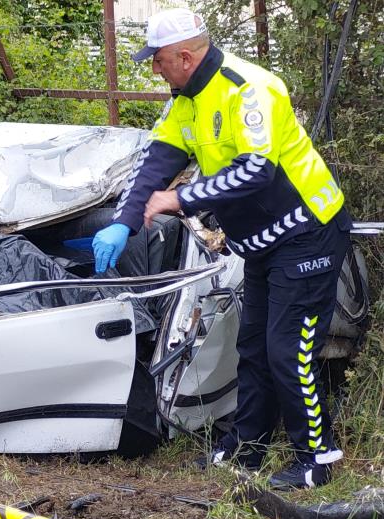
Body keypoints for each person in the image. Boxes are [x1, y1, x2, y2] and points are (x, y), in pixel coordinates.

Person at [92, 8, 351, 489]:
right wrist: (124, 222)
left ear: (185, 56)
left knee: (287, 348)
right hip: (263, 243)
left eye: (159, 60)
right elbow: (155, 163)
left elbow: (258, 170)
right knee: (251, 346)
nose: (154, 69)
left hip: (308, 230)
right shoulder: (186, 99)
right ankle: (247, 450)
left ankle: (317, 458)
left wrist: (180, 197)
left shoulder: (250, 88)